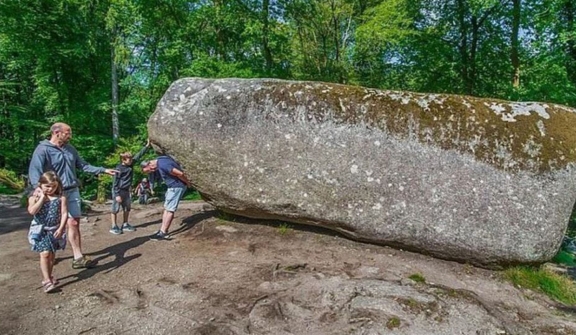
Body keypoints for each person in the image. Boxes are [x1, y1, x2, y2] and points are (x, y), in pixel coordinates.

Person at [28, 122, 117, 269]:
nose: (70, 135)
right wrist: (37, 189)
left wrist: (103, 170)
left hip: (72, 190)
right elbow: (35, 170)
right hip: (54, 193)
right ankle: (48, 253)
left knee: (74, 223)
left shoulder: (70, 149)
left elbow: (83, 165)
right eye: (67, 132)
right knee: (51, 224)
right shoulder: (42, 150)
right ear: (57, 133)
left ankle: (78, 258)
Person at [27, 171, 68, 293]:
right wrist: (42, 199)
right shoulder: (34, 197)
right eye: (47, 186)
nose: (50, 189)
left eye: (54, 186)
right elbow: (32, 211)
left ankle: (49, 276)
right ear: (40, 184)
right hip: (40, 230)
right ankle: (46, 281)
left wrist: (61, 228)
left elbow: (64, 213)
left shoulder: (61, 198)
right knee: (44, 254)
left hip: (54, 230)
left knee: (51, 255)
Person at [141, 155, 190, 241]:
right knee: (166, 208)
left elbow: (179, 173)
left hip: (176, 187)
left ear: (149, 164)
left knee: (170, 209)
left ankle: (163, 232)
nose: (153, 171)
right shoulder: (161, 159)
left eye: (150, 169)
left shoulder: (163, 164)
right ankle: (162, 230)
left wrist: (187, 182)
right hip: (172, 187)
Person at [109, 141, 151, 235]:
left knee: (127, 208)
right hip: (119, 190)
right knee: (115, 209)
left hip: (126, 190)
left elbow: (139, 155)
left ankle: (125, 224)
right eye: (129, 159)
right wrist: (116, 195)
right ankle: (114, 226)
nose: (131, 160)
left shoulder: (130, 165)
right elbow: (115, 183)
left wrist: (147, 146)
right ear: (123, 160)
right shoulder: (118, 169)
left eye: (131, 159)